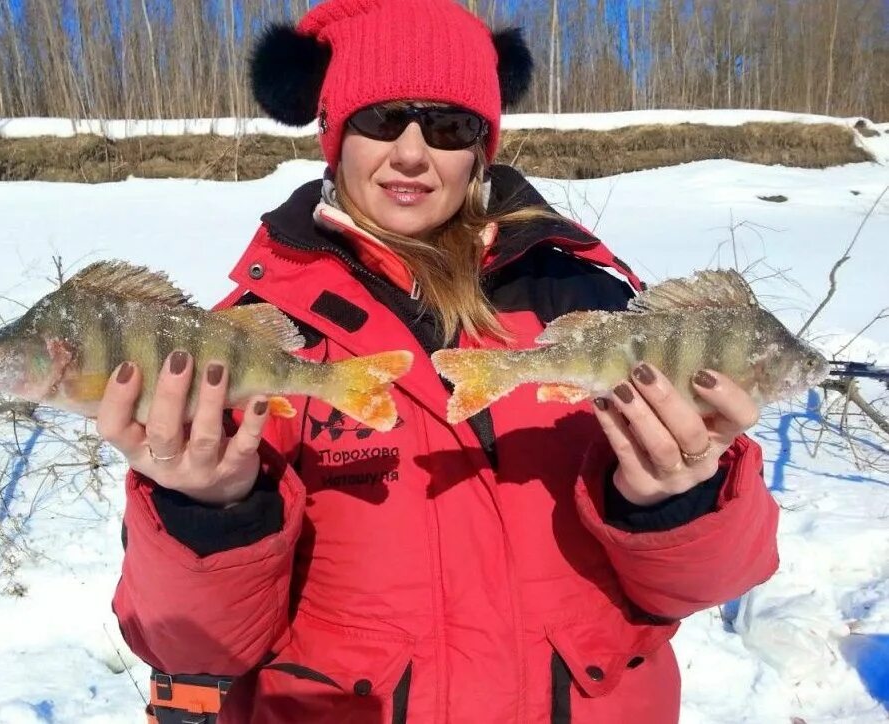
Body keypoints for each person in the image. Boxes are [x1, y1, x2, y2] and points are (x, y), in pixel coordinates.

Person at [99, 1, 778, 722]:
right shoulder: (258, 334)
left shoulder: (592, 306)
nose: (413, 154)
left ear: (480, 148)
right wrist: (206, 511)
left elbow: (704, 584)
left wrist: (678, 498)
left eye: (450, 126)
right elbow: (191, 648)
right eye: (382, 120)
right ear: (335, 135)